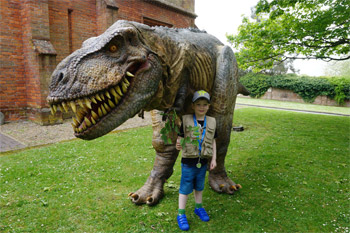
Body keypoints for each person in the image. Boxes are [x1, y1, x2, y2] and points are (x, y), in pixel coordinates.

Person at [175, 90, 217, 231]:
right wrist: (178, 143)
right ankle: (181, 213)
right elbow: (180, 137)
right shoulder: (186, 119)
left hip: (203, 161)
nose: (201, 107)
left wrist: (214, 159)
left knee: (199, 186)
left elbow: (213, 142)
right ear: (193, 105)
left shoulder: (211, 121)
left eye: (205, 104)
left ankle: (198, 208)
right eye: (198, 104)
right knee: (185, 187)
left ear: (208, 106)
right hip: (188, 161)